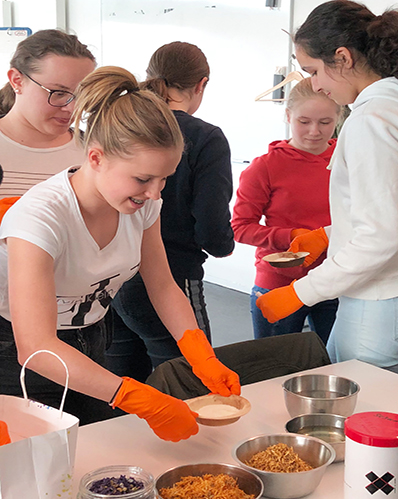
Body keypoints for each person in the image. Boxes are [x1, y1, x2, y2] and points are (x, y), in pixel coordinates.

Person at [0, 66, 240, 440]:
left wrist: (200, 351)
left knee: (99, 447)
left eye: (165, 178)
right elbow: (37, 345)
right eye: (143, 179)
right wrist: (135, 395)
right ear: (95, 158)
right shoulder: (40, 217)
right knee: (37, 464)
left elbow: (162, 285)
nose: (156, 193)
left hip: (92, 334)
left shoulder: (142, 206)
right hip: (20, 350)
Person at [256, 0, 398, 367]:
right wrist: (329, 235)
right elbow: (391, 210)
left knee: (358, 410)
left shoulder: (372, 119)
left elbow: (380, 236)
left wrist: (301, 292)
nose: (315, 85)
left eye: (313, 71)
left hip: (382, 296)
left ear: (343, 58)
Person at [105, 42, 235, 382]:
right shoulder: (205, 138)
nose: (154, 192)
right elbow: (212, 229)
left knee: (121, 382)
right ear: (201, 84)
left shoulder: (122, 130)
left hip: (114, 280)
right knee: (190, 382)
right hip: (173, 273)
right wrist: (224, 244)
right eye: (145, 179)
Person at [232, 77, 339, 342]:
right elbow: (240, 227)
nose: (314, 131)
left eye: (325, 122)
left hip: (335, 277)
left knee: (336, 363)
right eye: (304, 122)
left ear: (339, 117)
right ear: (288, 115)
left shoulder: (346, 161)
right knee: (275, 366)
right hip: (279, 282)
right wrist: (292, 236)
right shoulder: (265, 167)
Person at [0, 29, 95, 198]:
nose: (72, 108)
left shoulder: (94, 152)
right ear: (17, 80)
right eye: (58, 93)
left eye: (81, 95)